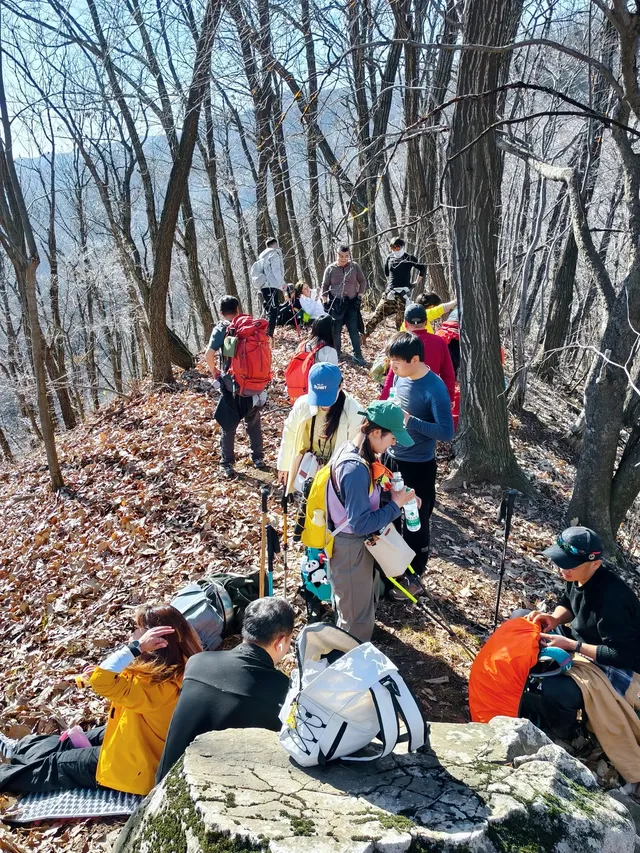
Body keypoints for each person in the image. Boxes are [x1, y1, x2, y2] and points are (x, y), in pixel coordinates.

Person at [0, 606, 202, 795]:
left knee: (57, 764)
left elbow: (103, 680)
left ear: (155, 641)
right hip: (147, 737)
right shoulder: (184, 666)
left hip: (137, 768)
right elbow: (118, 679)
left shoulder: (153, 686)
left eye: (137, 630)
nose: (132, 634)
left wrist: (135, 648)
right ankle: (17, 750)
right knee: (74, 740)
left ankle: (5, 775)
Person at [519, 527, 640, 742]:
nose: (563, 569)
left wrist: (572, 645)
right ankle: (518, 691)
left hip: (614, 664)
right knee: (521, 619)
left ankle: (564, 734)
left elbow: (622, 655)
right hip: (576, 641)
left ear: (595, 563)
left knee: (558, 690)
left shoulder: (613, 599)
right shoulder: (577, 575)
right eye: (561, 561)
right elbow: (569, 602)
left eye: (570, 564)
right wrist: (554, 619)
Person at [156, 598, 294, 782]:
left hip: (163, 783)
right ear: (280, 642)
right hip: (208, 797)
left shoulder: (198, 662)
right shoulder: (283, 693)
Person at [327, 400, 418, 641]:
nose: (394, 443)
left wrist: (396, 496)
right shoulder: (354, 468)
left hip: (356, 546)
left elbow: (366, 496)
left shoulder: (354, 451)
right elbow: (360, 523)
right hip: (350, 548)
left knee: (360, 606)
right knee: (355, 619)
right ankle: (352, 661)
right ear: (376, 432)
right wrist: (395, 507)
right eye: (392, 438)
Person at [383, 333, 455, 577]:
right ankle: (391, 567)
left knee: (415, 520)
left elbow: (446, 431)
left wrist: (410, 420)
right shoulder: (399, 377)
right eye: (391, 362)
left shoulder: (435, 389)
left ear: (414, 359)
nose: (392, 368)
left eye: (396, 363)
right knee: (388, 513)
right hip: (391, 459)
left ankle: (414, 573)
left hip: (418, 466)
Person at [205, 295, 269, 478]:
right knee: (253, 422)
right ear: (238, 309)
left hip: (232, 385)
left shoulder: (222, 329)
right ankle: (258, 458)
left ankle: (227, 463)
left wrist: (214, 371)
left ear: (221, 312)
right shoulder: (250, 328)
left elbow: (209, 355)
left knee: (229, 424)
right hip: (255, 383)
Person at [277, 362, 363, 492]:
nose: (323, 403)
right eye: (318, 396)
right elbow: (290, 432)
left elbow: (355, 450)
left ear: (340, 386)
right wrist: (284, 465)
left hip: (335, 471)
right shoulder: (303, 404)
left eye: (327, 396)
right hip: (308, 466)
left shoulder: (353, 411)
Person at [381, 303, 456, 402]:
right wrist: (449, 398)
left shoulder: (401, 343)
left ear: (406, 324)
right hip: (431, 397)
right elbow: (448, 374)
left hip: (405, 397)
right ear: (425, 322)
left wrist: (382, 400)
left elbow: (392, 376)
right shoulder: (439, 342)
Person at [364, 238, 427, 335]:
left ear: (402, 247)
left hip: (403, 295)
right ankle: (364, 335)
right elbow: (387, 273)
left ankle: (401, 343)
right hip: (390, 293)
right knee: (376, 315)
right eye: (393, 248)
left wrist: (416, 282)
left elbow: (422, 268)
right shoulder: (389, 258)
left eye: (397, 247)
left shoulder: (409, 258)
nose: (395, 250)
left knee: (400, 323)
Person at [321, 245, 367, 366]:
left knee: (353, 330)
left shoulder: (354, 266)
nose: (343, 259)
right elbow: (324, 287)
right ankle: (337, 353)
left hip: (352, 302)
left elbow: (362, 281)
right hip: (336, 304)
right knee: (336, 331)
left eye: (346, 256)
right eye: (341, 256)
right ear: (337, 255)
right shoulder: (330, 269)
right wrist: (325, 303)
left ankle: (358, 354)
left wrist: (360, 296)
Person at [252, 238, 287, 337]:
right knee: (273, 311)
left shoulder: (263, 256)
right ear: (275, 244)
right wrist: (282, 283)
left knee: (270, 310)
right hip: (270, 286)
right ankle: (268, 335)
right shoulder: (274, 254)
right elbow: (276, 271)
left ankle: (265, 333)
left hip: (264, 286)